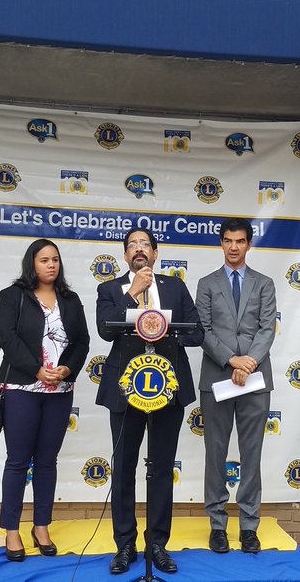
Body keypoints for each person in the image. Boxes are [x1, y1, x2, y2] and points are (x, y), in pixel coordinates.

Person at [95, 227, 204, 575]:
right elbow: (105, 329)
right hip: (125, 391)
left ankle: (157, 544)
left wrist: (163, 328)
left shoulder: (175, 287)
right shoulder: (110, 289)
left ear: (156, 254)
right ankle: (125, 546)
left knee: (161, 468)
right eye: (132, 245)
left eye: (145, 244)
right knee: (124, 468)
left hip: (167, 389)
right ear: (125, 255)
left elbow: (197, 331)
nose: (139, 249)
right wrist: (133, 294)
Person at [0, 239, 90, 562]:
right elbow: (7, 338)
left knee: (47, 461)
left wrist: (67, 369)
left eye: (55, 260)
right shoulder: (13, 296)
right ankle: (11, 530)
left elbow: (82, 341)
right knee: (18, 461)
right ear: (31, 264)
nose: (51, 265)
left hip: (59, 392)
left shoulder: (70, 299)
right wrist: (36, 370)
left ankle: (41, 527)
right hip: (22, 388)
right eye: (44, 260)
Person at [195, 217, 276, 555]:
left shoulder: (265, 283)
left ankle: (248, 526)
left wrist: (249, 362)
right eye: (228, 240)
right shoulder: (206, 283)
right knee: (215, 453)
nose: (233, 247)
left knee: (251, 454)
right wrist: (232, 360)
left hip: (254, 380)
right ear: (221, 243)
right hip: (218, 377)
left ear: (249, 244)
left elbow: (267, 328)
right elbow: (202, 329)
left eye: (239, 241)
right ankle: (217, 525)